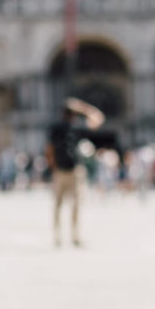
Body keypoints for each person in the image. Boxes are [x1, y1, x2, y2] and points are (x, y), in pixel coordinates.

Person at [45, 97, 104, 246]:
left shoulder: (75, 128)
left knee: (70, 205)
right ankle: (62, 236)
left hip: (71, 170)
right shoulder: (61, 127)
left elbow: (49, 150)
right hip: (67, 171)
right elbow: (98, 118)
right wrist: (85, 108)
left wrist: (81, 107)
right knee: (63, 205)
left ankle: (71, 236)